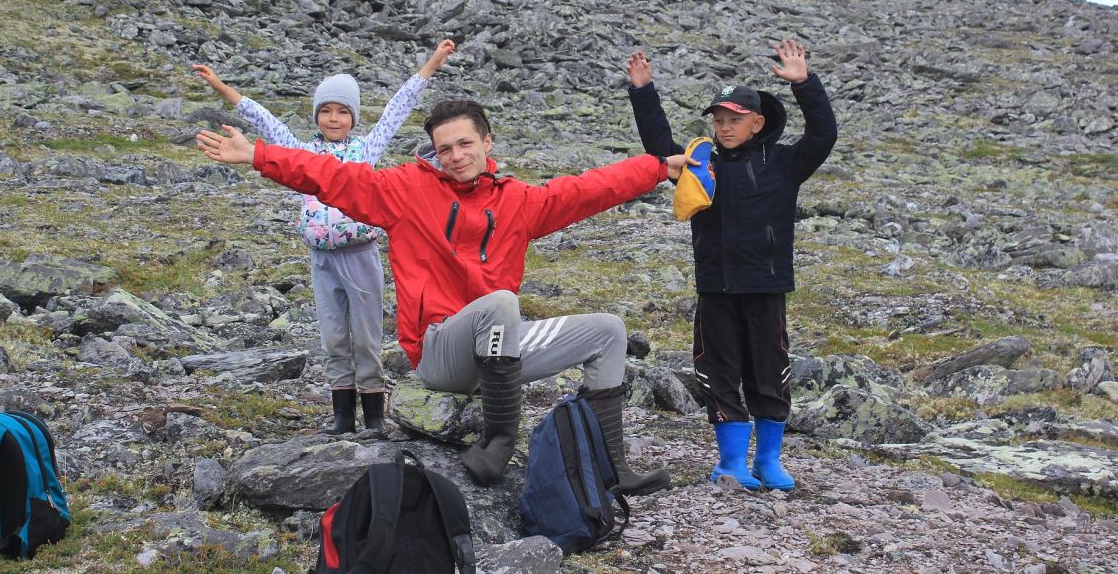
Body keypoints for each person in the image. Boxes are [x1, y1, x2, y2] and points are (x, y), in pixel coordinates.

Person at [196, 99, 694, 494]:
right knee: (501, 302)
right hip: (438, 353)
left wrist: (657, 168)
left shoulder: (519, 200)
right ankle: (498, 439)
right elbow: (333, 177)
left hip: (498, 350)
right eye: (444, 148)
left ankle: (612, 466)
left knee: (608, 330)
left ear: (487, 142)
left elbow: (587, 189)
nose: (455, 156)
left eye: (465, 144)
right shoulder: (403, 190)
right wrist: (259, 155)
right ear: (433, 151)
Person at [191, 38, 455, 435]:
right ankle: (342, 416)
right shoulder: (301, 153)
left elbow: (397, 108)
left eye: (342, 111)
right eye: (326, 111)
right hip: (322, 259)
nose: (333, 118)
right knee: (333, 337)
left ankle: (376, 416)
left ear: (353, 117)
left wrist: (432, 63)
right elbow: (265, 122)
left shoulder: (366, 150)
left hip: (360, 255)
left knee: (366, 337)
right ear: (316, 116)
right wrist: (222, 87)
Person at [625, 39, 837, 491]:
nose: (724, 127)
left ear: (757, 123)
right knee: (718, 370)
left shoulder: (784, 162)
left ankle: (768, 461)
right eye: (718, 120)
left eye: (734, 120)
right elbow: (660, 148)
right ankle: (731, 463)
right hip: (716, 288)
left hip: (765, 286)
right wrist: (643, 92)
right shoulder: (703, 164)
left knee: (770, 369)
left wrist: (805, 84)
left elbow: (823, 136)